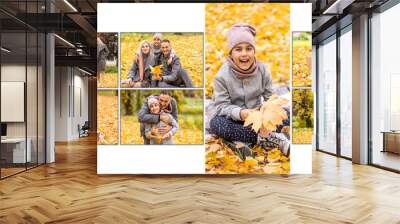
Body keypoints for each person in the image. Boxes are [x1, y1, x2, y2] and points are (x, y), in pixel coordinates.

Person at [207, 23, 290, 156]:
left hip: (258, 115)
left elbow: (270, 97)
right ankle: (262, 138)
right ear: (231, 53)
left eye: (249, 48)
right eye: (238, 49)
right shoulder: (221, 76)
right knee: (217, 124)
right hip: (232, 117)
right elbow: (222, 106)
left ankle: (252, 137)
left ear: (254, 51)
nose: (244, 54)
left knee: (287, 114)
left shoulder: (263, 70)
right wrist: (242, 113)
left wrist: (267, 114)